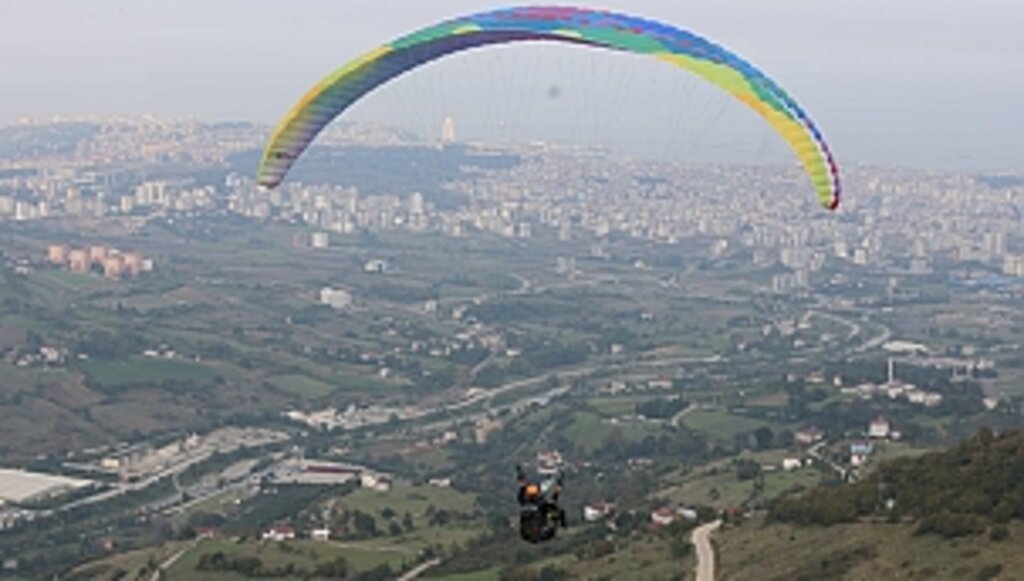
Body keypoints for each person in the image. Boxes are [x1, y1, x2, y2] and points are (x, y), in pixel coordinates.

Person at [516, 465, 566, 543]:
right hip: (539, 531)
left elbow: (523, 485)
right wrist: (559, 481)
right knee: (556, 511)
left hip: (531, 533)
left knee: (555, 511)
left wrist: (520, 472)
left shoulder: (524, 501)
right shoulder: (542, 505)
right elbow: (555, 497)